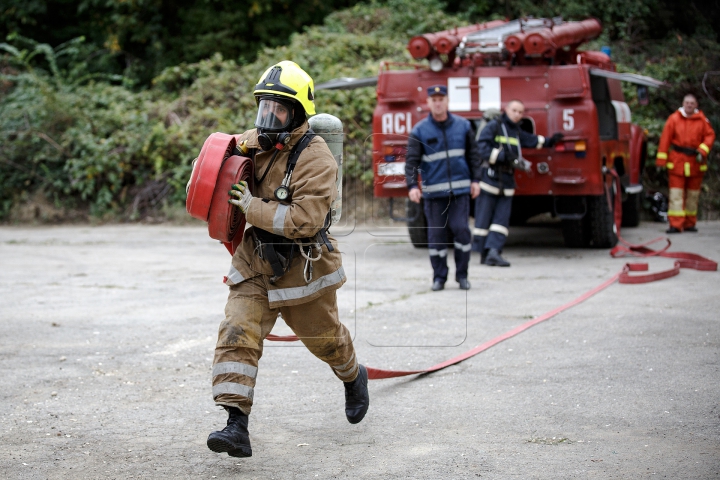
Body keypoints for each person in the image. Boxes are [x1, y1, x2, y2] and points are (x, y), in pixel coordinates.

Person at [206, 61, 369, 458]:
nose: (269, 116)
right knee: (236, 332)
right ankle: (235, 424)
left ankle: (353, 377)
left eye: (278, 108)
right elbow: (228, 151)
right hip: (256, 262)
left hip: (302, 267)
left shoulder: (317, 159)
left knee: (326, 342)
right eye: (264, 106)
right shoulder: (259, 141)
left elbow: (304, 219)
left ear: (297, 113)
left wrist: (251, 205)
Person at [405, 85, 482, 291]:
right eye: (434, 99)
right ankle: (439, 277)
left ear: (447, 101)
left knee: (461, 231)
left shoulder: (463, 126)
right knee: (436, 237)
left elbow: (473, 156)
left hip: (459, 192)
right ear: (428, 103)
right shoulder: (420, 130)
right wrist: (412, 185)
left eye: (441, 99)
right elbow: (411, 161)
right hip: (433, 194)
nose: (438, 103)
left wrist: (476, 180)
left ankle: (462, 276)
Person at [473, 100, 563, 266]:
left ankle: (493, 251)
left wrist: (550, 141)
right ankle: (484, 252)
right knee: (483, 219)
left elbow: (531, 140)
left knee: (501, 220)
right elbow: (481, 148)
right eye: (514, 110)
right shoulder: (494, 126)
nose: (517, 114)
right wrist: (502, 157)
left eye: (520, 112)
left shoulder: (515, 131)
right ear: (506, 110)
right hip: (490, 179)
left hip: (507, 181)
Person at [655, 93, 715, 233]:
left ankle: (689, 223)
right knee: (676, 194)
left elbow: (710, 136)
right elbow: (665, 140)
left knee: (693, 195)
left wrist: (702, 150)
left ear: (696, 105)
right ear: (683, 103)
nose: (689, 105)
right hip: (677, 161)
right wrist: (661, 161)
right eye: (687, 102)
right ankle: (675, 224)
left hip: (695, 162)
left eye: (691, 103)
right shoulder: (674, 119)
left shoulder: (702, 121)